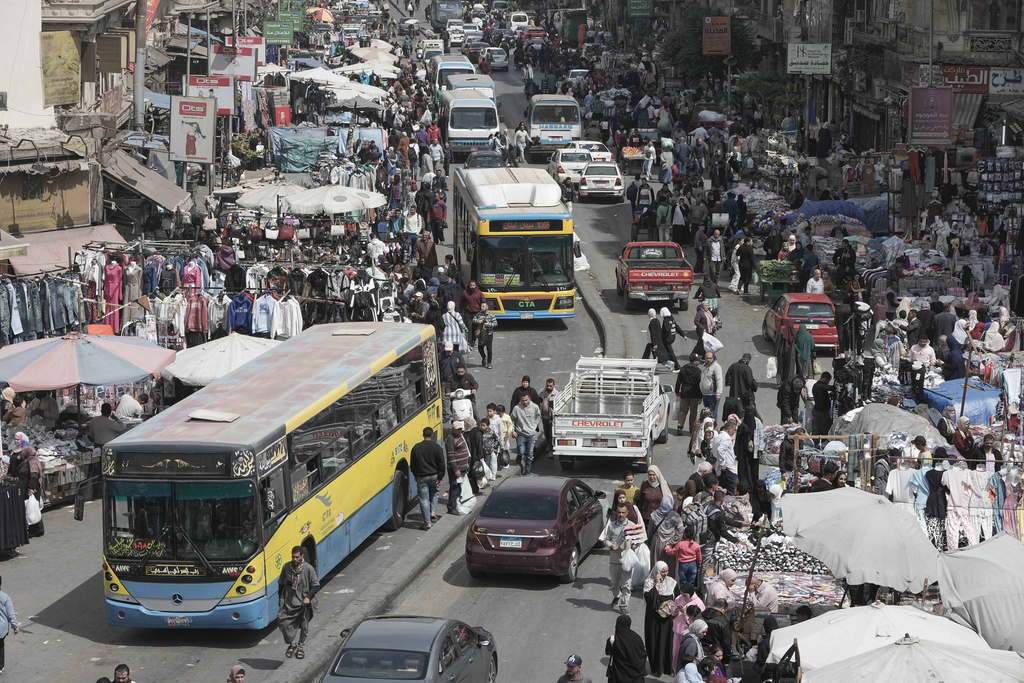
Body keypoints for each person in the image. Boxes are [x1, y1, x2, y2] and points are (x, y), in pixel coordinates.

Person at [278, 545, 320, 660]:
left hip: (303, 603)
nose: (295, 559)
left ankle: (301, 647)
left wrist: (308, 597)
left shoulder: (308, 569)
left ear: (302, 556)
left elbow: (316, 586)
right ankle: (292, 644)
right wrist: (280, 599)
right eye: (293, 557)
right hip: (289, 602)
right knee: (283, 623)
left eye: (297, 557)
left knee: (304, 627)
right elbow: (281, 584)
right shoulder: (286, 567)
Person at [643, 561, 679, 677]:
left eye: (666, 571)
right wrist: (657, 584)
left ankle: (668, 667)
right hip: (654, 620)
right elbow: (649, 601)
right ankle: (656, 667)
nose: (665, 573)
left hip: (668, 620)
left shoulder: (672, 582)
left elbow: (677, 598)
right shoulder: (649, 583)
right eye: (662, 571)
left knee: (668, 642)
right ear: (657, 571)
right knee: (654, 641)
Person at [600, 504, 634, 615]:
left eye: (623, 512)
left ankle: (623, 606)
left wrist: (631, 544)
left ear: (627, 513)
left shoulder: (632, 526)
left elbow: (639, 540)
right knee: (614, 584)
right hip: (614, 560)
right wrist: (611, 545)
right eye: (619, 512)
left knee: (626, 585)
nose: (621, 515)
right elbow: (606, 539)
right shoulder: (611, 526)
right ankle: (617, 596)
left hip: (627, 561)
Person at [409, 427, 445, 530]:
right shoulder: (436, 447)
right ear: (432, 435)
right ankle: (433, 511)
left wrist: (416, 475)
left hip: (422, 477)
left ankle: (427, 522)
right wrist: (440, 476)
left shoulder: (416, 448)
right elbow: (441, 463)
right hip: (434, 475)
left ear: (423, 435)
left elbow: (413, 464)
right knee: (434, 493)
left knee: (424, 499)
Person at [9, 433, 43, 537]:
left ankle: (37, 530)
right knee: (31, 509)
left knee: (33, 509)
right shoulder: (27, 460)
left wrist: (30, 488)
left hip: (32, 488)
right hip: (27, 487)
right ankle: (34, 530)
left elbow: (34, 475)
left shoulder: (32, 461)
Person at [605, 615, 648, 683]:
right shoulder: (637, 638)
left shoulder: (613, 639)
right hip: (635, 676)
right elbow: (642, 653)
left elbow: (608, 652)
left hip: (617, 675)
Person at [675, 353, 704, 454]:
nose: (699, 362)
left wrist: (677, 391)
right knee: (693, 412)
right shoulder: (698, 371)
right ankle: (692, 429)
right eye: (698, 360)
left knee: (683, 410)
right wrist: (700, 396)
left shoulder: (683, 369)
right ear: (695, 361)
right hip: (694, 394)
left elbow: (678, 381)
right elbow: (699, 384)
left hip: (684, 393)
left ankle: (680, 425)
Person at [510, 392, 542, 474]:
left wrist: (534, 426)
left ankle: (528, 469)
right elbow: (512, 420)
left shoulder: (535, 407)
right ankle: (519, 455)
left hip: (531, 434)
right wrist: (513, 431)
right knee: (521, 451)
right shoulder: (517, 408)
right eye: (523, 400)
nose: (525, 402)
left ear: (529, 398)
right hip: (521, 434)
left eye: (526, 400)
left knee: (530, 453)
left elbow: (538, 416)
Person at [444, 420, 472, 512]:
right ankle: (452, 507)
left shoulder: (460, 436)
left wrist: (467, 461)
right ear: (453, 429)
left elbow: (464, 449)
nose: (460, 431)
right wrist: (456, 470)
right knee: (455, 488)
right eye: (458, 429)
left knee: (460, 488)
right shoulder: (450, 439)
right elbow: (451, 456)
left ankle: (458, 505)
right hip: (456, 469)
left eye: (461, 429)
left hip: (463, 467)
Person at [640, 465, 672, 538]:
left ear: (657, 474)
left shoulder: (665, 485)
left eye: (653, 475)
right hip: (647, 518)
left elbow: (671, 502)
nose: (651, 477)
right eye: (649, 475)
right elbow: (641, 501)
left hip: (661, 519)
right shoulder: (644, 485)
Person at [735, 406, 758, 493]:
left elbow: (759, 435)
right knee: (743, 468)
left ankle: (751, 484)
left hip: (753, 451)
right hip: (742, 450)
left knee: (752, 469)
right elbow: (739, 437)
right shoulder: (742, 424)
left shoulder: (756, 422)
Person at [711, 422, 738, 494]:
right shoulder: (726, 438)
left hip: (720, 470)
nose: (734, 432)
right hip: (728, 470)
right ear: (729, 429)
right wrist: (723, 463)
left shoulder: (718, 437)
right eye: (734, 430)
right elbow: (720, 449)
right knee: (733, 490)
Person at [0, 576, 19, 674]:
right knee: (0, 646)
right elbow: (11, 615)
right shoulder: (5, 597)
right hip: (1, 629)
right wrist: (15, 627)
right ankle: (0, 666)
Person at [700, 351, 724, 421]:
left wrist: (718, 393)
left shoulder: (716, 367)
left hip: (713, 395)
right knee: (706, 414)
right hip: (705, 394)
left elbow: (719, 380)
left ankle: (714, 430)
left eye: (710, 358)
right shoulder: (704, 367)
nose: (708, 360)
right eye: (707, 358)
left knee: (713, 414)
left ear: (713, 358)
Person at [473, 303, 497, 369]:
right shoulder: (478, 314)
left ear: (487, 307)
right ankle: (484, 357)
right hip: (481, 334)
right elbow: (473, 320)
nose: (481, 307)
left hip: (489, 333)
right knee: (480, 348)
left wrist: (488, 324)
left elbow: (495, 323)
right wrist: (478, 321)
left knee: (489, 348)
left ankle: (489, 363)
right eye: (481, 306)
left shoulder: (491, 315)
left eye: (483, 306)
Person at [539, 378, 559, 458]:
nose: (549, 387)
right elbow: (539, 402)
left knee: (552, 434)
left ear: (554, 385)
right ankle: (548, 445)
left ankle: (551, 450)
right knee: (546, 433)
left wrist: (553, 418)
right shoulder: (542, 392)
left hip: (552, 418)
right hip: (544, 416)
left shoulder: (557, 394)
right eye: (547, 386)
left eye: (551, 386)